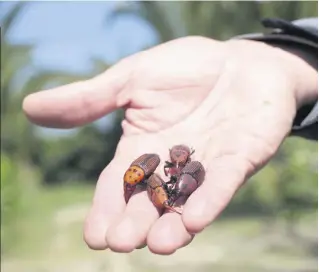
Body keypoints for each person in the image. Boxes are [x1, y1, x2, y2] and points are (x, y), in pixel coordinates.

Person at [22, 17, 318, 255]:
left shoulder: (184, 167)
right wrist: (290, 57)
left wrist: (284, 64)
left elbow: (186, 173)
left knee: (174, 190)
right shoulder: (163, 168)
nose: (175, 165)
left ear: (184, 157)